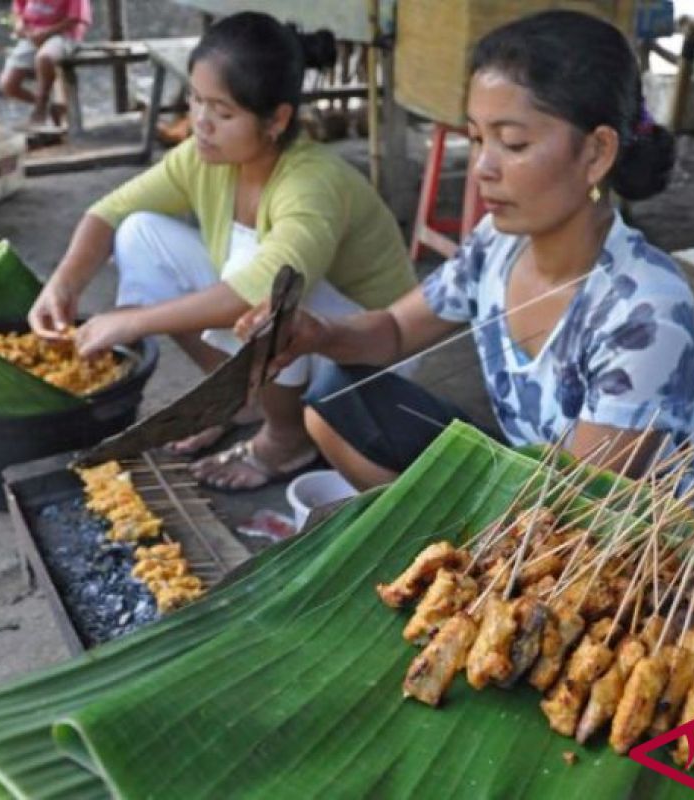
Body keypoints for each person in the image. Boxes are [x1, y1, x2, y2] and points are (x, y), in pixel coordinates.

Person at [240, 10, 694, 491]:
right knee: (335, 402)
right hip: (533, 482)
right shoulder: (497, 244)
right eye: (478, 138)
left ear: (596, 154)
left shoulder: (646, 310)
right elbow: (397, 330)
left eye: (513, 143)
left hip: (615, 536)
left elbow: (580, 499)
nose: (482, 167)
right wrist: (317, 334)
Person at [27, 12, 417, 489]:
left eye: (223, 112)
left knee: (269, 288)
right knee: (139, 232)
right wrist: (63, 285)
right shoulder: (203, 158)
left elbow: (268, 287)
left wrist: (128, 321)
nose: (201, 124)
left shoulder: (311, 182)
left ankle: (286, 438)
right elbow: (110, 212)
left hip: (368, 356)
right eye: (195, 101)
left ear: (277, 119)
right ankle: (239, 399)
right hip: (294, 335)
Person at [0, 0, 92, 128]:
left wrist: (47, 33)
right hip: (33, 34)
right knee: (8, 85)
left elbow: (76, 19)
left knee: (45, 57)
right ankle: (51, 107)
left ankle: (40, 109)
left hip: (64, 34)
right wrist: (19, 24)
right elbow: (18, 8)